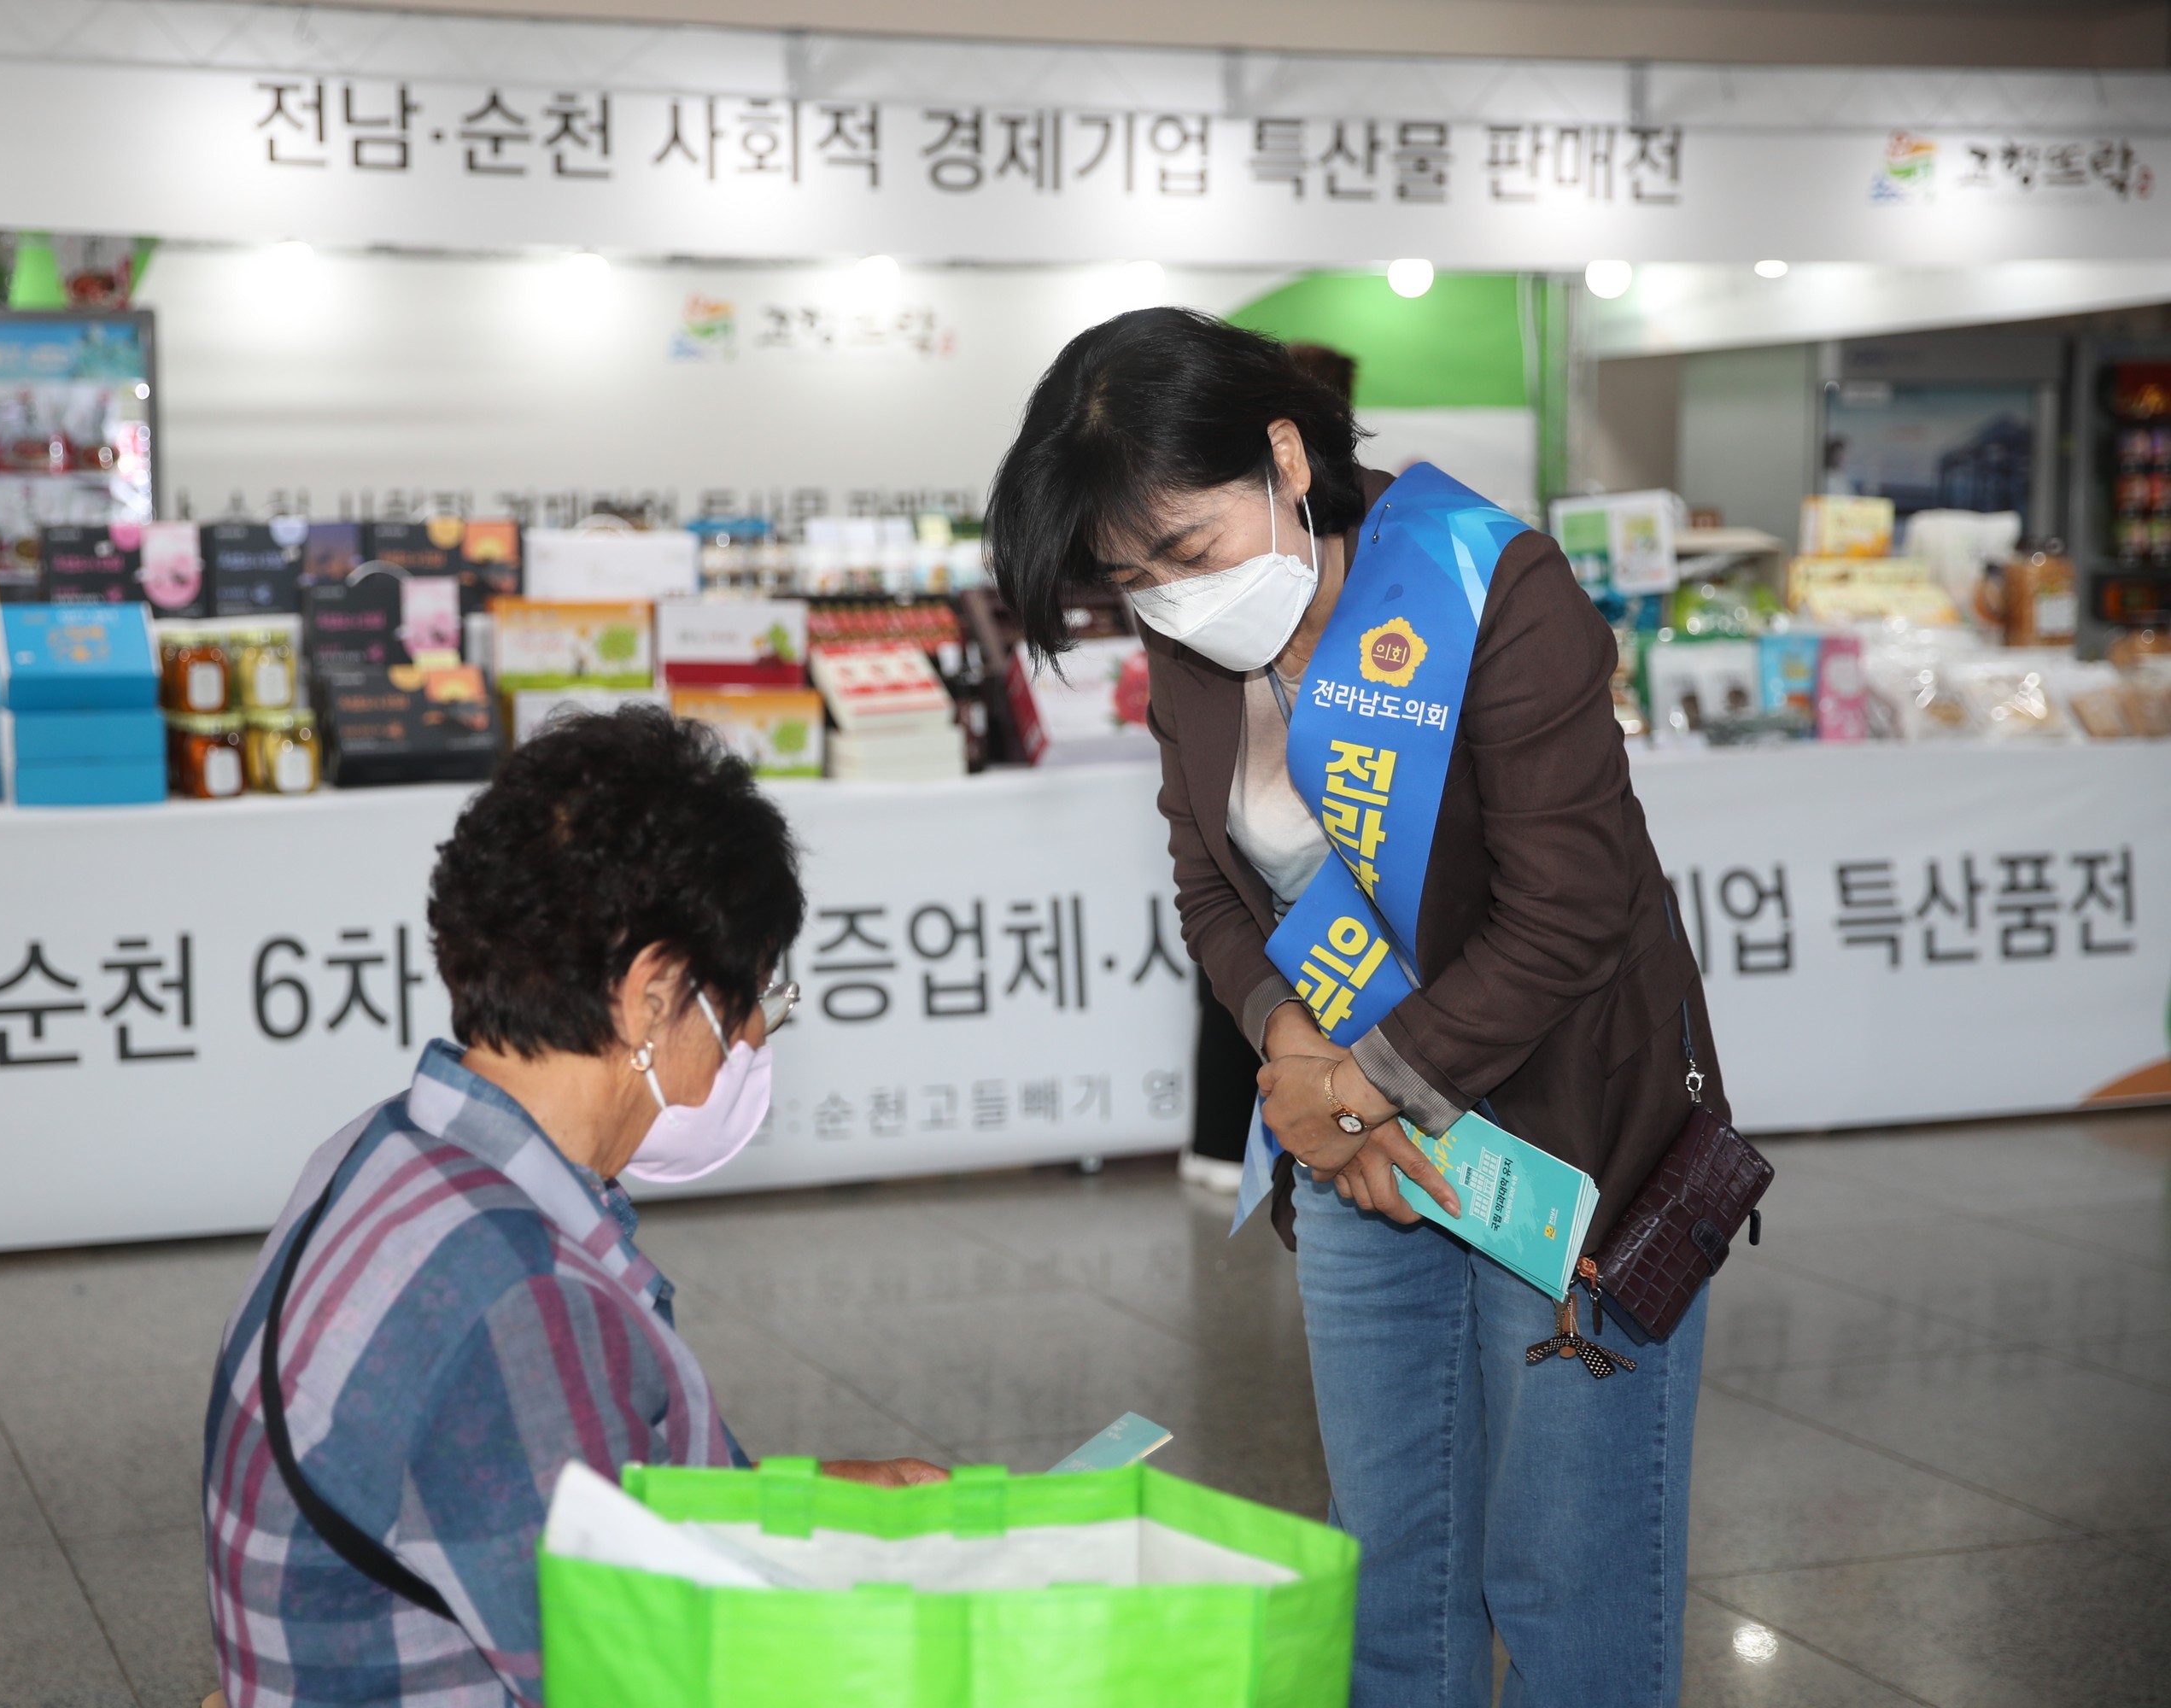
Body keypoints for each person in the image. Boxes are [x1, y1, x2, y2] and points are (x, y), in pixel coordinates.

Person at [985, 307, 1725, 1708]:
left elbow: (1572, 907)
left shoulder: (1484, 585)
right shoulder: (1196, 653)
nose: (1169, 601)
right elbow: (1211, 883)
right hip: (1355, 1152)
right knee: (1388, 1567)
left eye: (1187, 553)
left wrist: (1361, 1080)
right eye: (1128, 580)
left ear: (1283, 455)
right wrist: (1284, 1042)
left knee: (1571, 1581)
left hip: (1565, 1147)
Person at [202, 707, 943, 1707]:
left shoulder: (387, 1151)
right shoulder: (513, 1290)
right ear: (653, 993)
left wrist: (809, 1499)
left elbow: (573, 1493)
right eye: (753, 999)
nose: (756, 1037)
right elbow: (641, 1675)